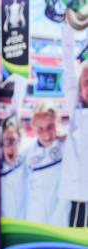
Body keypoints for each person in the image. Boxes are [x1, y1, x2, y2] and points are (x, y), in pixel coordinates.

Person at [58, 22, 88, 227]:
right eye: (86, 82)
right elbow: (68, 65)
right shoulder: (76, 111)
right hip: (80, 199)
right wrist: (67, 23)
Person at [23, 102, 69, 226]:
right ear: (33, 128)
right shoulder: (27, 153)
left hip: (62, 220)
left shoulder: (67, 146)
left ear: (57, 123)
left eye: (50, 126)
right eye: (40, 128)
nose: (46, 133)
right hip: (36, 222)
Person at [0, 115, 27, 219]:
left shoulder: (28, 162)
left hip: (26, 228)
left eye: (13, 141)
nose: (9, 146)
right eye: (6, 141)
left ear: (20, 141)